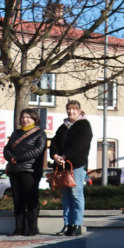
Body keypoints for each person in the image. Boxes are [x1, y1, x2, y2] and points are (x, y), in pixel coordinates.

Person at [49, 100, 93, 237]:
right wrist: (55, 155)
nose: (71, 112)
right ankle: (68, 224)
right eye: (69, 109)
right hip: (63, 166)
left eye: (74, 109)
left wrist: (65, 155)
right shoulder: (63, 127)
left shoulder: (84, 125)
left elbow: (81, 144)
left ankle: (77, 224)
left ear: (79, 111)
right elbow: (54, 141)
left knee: (76, 194)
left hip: (77, 165)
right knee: (66, 196)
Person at [3, 108, 48, 236]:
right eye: (23, 117)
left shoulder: (40, 133)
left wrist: (18, 158)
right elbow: (7, 148)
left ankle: (32, 229)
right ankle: (19, 228)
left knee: (31, 199)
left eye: (28, 117)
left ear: (34, 119)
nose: (25, 119)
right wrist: (10, 157)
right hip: (15, 170)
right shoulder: (16, 133)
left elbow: (38, 150)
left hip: (30, 170)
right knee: (18, 200)